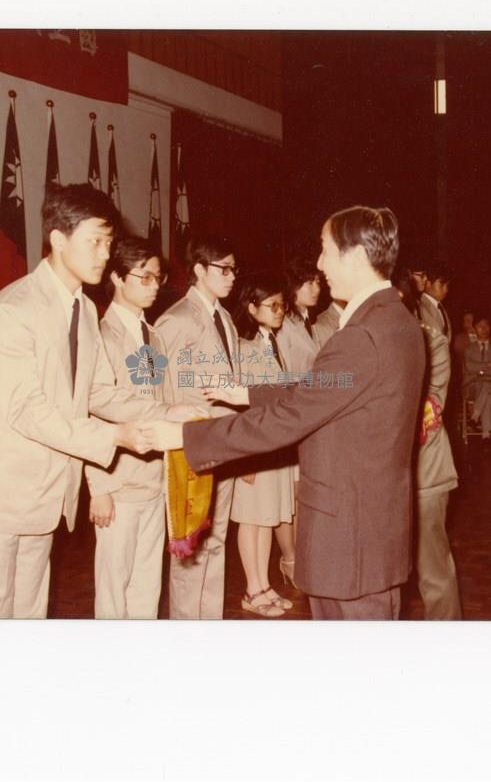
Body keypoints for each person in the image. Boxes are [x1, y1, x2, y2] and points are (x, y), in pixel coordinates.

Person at [147, 205, 426, 620]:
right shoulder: (395, 321)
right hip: (370, 530)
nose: (320, 265)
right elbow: (330, 388)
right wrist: (248, 393)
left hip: (349, 539)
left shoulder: (362, 334)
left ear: (354, 256)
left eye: (325, 250)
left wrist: (186, 436)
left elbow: (296, 414)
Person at [0, 183, 200, 619]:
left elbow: (100, 392)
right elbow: (27, 409)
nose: (104, 254)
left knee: (29, 619)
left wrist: (168, 412)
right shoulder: (13, 311)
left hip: (44, 495)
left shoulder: (84, 312)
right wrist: (114, 436)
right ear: (59, 240)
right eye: (95, 241)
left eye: (108, 242)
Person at [154, 232, 241, 619]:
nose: (232, 276)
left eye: (234, 269)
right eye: (224, 269)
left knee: (216, 539)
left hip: (225, 442)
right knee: (190, 547)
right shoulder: (176, 319)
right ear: (200, 270)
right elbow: (161, 386)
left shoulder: (225, 318)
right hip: (192, 445)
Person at [84, 236, 170, 619]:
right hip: (118, 482)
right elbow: (90, 414)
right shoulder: (101, 337)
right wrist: (99, 488)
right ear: (118, 278)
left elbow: (159, 401)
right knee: (113, 587)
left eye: (158, 278)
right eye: (144, 277)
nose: (154, 286)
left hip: (153, 479)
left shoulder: (154, 336)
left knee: (147, 584)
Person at [229, 275, 297, 617]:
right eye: (272, 305)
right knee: (251, 519)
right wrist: (248, 457)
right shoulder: (244, 348)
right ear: (252, 309)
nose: (280, 310)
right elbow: (244, 405)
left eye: (282, 305)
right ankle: (251, 590)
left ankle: (264, 584)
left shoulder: (271, 342)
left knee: (267, 518)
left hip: (274, 445)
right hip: (255, 447)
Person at [274, 257, 324, 587]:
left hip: (309, 416)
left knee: (302, 491)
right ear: (293, 288)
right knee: (288, 494)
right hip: (291, 413)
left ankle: (301, 556)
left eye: (318, 282)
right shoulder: (285, 326)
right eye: (308, 283)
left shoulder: (309, 324)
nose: (315, 288)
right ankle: (289, 559)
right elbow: (280, 375)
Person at [414, 299, 463, 619]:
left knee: (433, 570)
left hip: (424, 474)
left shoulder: (432, 342)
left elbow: (427, 411)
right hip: (379, 478)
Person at [461, 314, 491, 440]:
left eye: (486, 326)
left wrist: (480, 370)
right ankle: (486, 433)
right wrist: (487, 366)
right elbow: (469, 367)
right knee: (487, 390)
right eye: (480, 326)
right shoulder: (468, 349)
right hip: (473, 386)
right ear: (474, 329)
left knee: (487, 387)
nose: (484, 329)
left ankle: (475, 417)